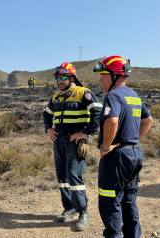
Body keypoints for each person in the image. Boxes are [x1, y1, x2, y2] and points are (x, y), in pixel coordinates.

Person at [93, 56, 153, 238]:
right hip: (134, 154)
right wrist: (132, 141)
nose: (100, 79)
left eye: (103, 74)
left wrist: (105, 148)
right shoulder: (134, 96)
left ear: (115, 75)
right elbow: (147, 121)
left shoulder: (113, 95)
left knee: (110, 202)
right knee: (129, 200)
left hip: (116, 158)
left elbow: (112, 120)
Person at [43, 62, 102, 231]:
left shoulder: (83, 93)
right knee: (62, 177)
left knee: (74, 176)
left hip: (74, 142)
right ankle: (69, 208)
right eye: (57, 79)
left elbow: (97, 111)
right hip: (59, 141)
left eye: (62, 78)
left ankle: (83, 211)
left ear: (71, 77)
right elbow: (46, 114)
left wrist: (85, 133)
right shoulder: (56, 97)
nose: (59, 82)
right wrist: (48, 129)